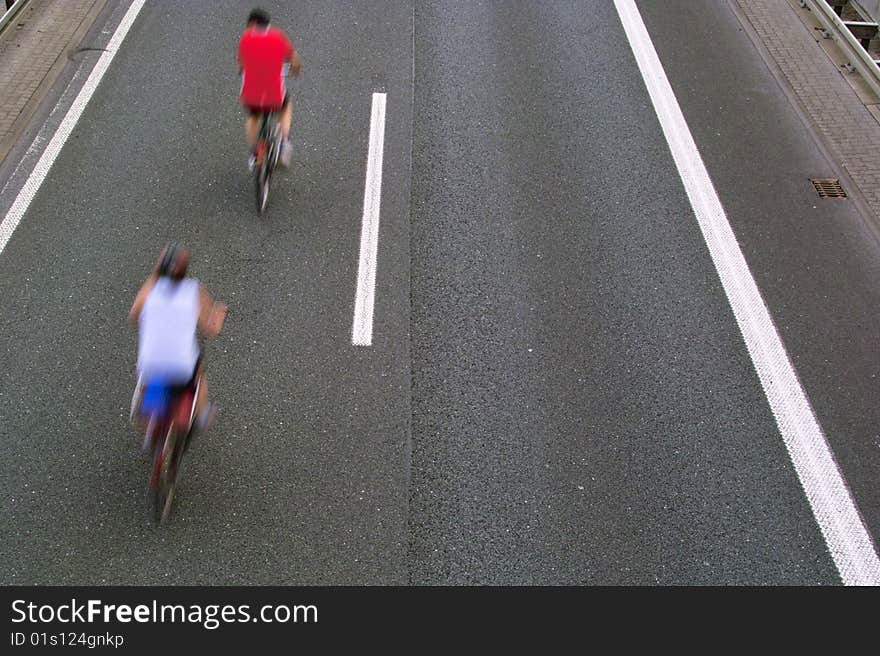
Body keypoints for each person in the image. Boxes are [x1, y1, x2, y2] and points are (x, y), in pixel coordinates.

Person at [129, 244, 227, 434]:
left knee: (149, 378)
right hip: (183, 367)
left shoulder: (150, 290)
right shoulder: (192, 290)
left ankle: (145, 409)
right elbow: (210, 329)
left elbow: (133, 315)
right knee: (199, 374)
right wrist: (220, 312)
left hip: (150, 364)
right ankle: (201, 414)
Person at [237, 7, 301, 171]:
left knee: (253, 117)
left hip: (251, 94)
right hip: (274, 95)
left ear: (252, 23)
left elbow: (241, 62)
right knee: (286, 107)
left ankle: (255, 154)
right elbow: (294, 61)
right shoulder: (277, 37)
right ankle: (284, 143)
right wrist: (294, 70)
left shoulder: (245, 38)